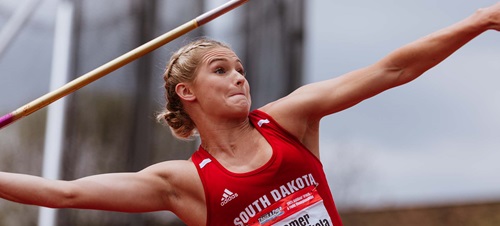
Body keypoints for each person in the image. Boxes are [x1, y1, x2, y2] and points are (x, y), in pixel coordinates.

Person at [1, 2, 499, 225]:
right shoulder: (184, 184)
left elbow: (393, 70)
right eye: (221, 70)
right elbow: (62, 193)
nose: (240, 77)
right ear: (187, 92)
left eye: (240, 68)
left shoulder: (290, 120)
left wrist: (479, 20)